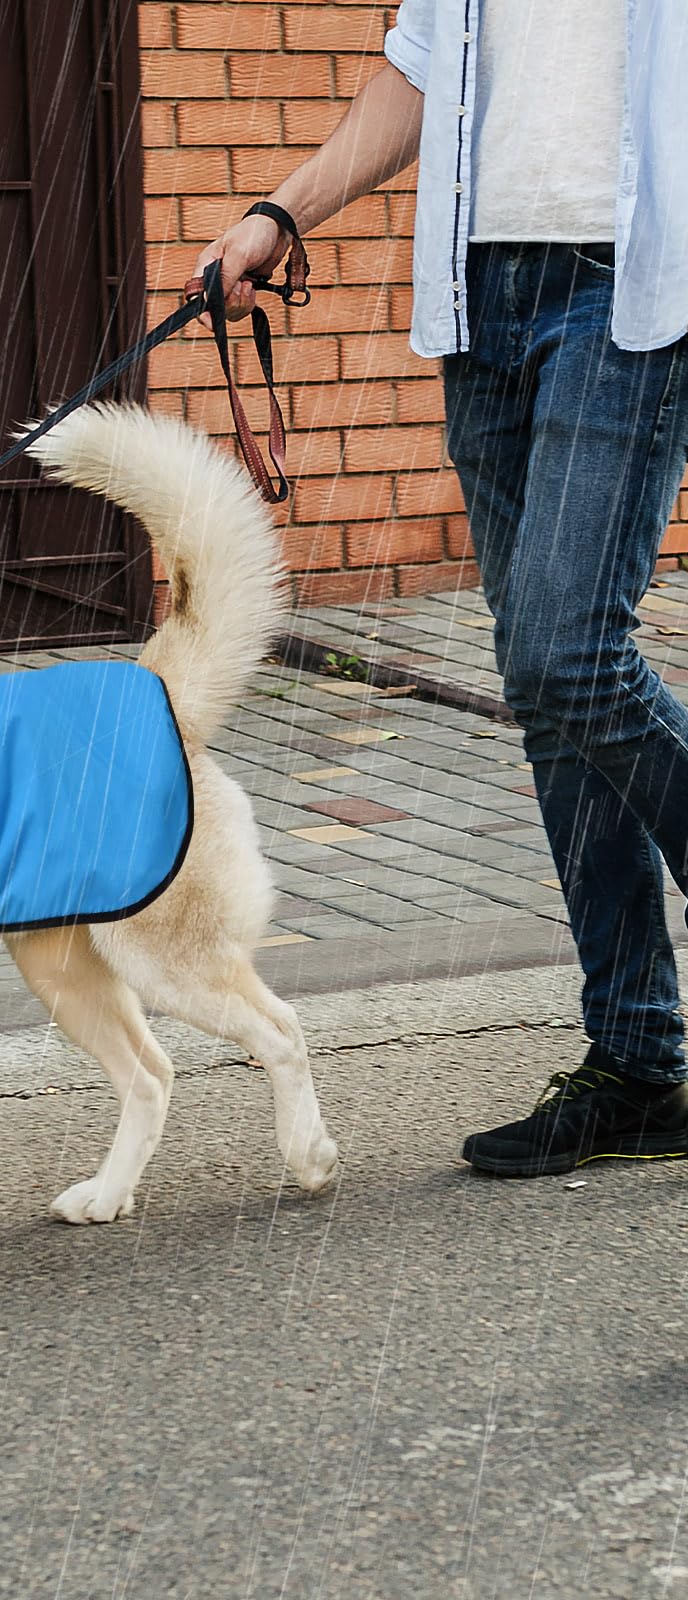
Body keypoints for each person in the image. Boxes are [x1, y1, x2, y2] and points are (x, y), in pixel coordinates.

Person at [196, 0, 688, 1177]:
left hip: (635, 292)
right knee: (553, 699)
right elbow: (417, 76)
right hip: (480, 300)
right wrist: (278, 213)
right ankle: (636, 1064)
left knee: (562, 652)